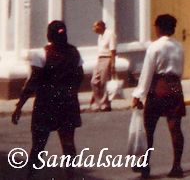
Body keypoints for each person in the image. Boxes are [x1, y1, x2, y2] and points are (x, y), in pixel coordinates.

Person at [11, 20, 83, 164]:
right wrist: (70, 92)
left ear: (49, 35)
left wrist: (19, 106)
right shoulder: (74, 52)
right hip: (68, 103)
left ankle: (32, 174)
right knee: (68, 144)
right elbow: (79, 76)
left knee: (38, 145)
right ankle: (71, 175)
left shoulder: (41, 54)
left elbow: (32, 82)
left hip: (46, 104)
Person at [133, 13, 186, 179]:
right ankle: (177, 166)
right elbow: (181, 69)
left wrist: (138, 94)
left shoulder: (154, 47)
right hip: (175, 86)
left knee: (149, 128)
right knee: (175, 128)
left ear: (159, 28)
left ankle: (146, 166)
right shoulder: (179, 46)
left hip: (158, 87)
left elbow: (147, 72)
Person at [89, 19, 118, 112]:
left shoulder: (110, 34)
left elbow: (113, 50)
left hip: (107, 58)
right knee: (94, 81)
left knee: (104, 82)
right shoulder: (100, 37)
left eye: (95, 26)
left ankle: (105, 104)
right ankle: (98, 103)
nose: (93, 29)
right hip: (100, 59)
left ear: (101, 26)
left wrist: (113, 64)